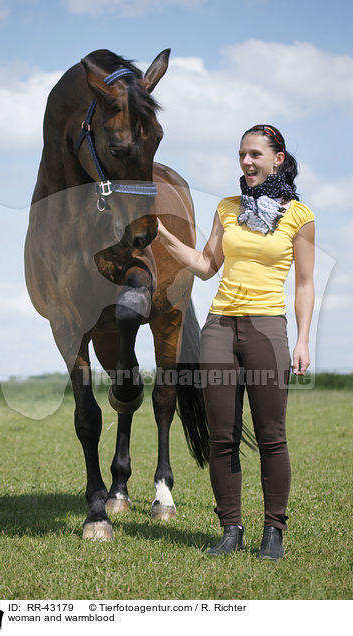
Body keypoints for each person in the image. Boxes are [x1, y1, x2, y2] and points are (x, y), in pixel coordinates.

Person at [157, 124, 315, 560]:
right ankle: (231, 529)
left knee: (271, 436)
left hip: (267, 330)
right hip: (220, 329)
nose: (246, 162)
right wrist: (164, 237)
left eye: (254, 155)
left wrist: (302, 340)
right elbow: (206, 265)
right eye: (241, 155)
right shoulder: (228, 209)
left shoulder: (299, 216)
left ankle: (274, 532)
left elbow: (304, 284)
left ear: (276, 158)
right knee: (221, 436)